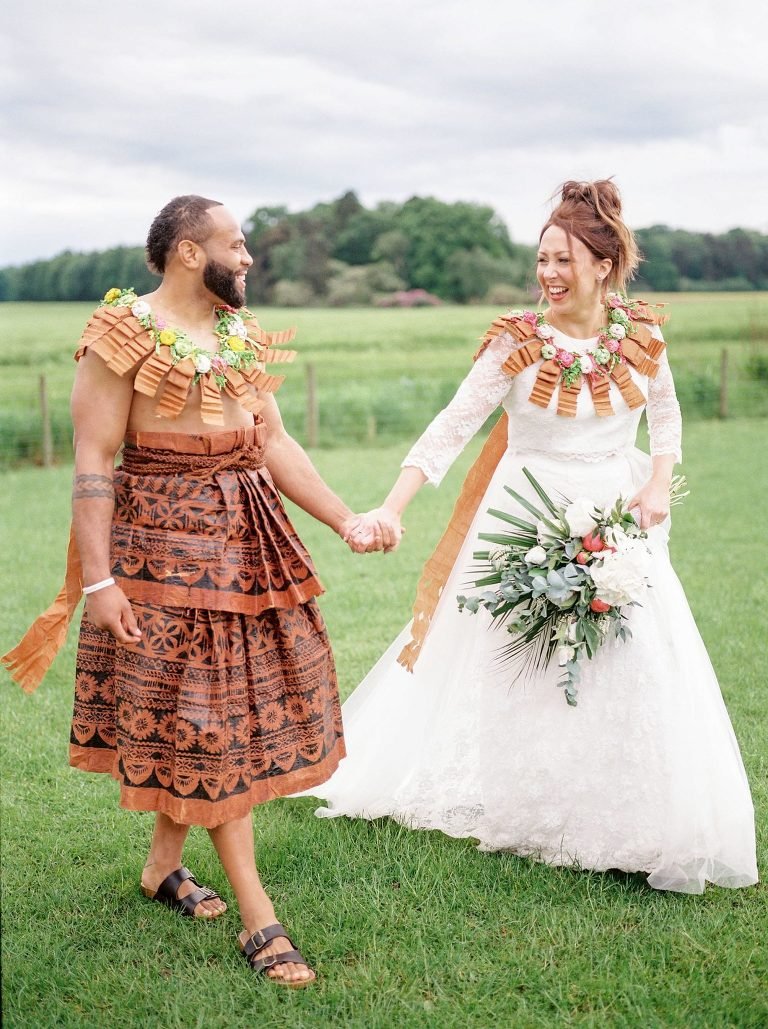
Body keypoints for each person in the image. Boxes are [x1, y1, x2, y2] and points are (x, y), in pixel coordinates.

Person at [308, 180, 758, 894]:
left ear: (603, 265)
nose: (548, 274)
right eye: (541, 260)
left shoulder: (641, 336)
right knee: (516, 655)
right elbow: (452, 427)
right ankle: (523, 798)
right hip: (524, 514)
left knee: (629, 652)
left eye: (562, 261)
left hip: (615, 513)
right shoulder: (516, 344)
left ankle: (620, 806)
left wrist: (656, 484)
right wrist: (392, 506)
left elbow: (665, 419)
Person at [2, 195, 390, 987]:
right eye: (236, 245)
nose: (248, 259)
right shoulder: (120, 335)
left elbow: (273, 440)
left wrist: (345, 518)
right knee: (211, 723)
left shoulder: (239, 334)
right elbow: (92, 459)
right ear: (187, 251)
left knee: (214, 717)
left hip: (250, 546)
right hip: (163, 555)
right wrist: (101, 579)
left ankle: (160, 870)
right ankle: (261, 919)